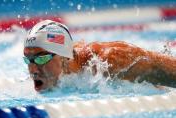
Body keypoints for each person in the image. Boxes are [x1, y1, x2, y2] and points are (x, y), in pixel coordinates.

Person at [23, 20, 176, 92]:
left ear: (64, 57)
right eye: (28, 60)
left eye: (41, 59)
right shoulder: (65, 67)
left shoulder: (112, 62)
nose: (32, 70)